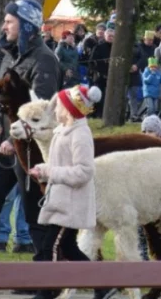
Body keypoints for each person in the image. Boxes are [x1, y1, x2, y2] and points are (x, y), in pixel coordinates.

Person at [0, 0, 62, 263]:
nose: (4, 26)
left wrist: (13, 138)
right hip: (4, 148)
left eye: (9, 21)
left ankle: (45, 274)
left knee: (34, 212)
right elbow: (3, 107)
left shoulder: (44, 61)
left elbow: (39, 111)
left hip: (30, 151)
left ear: (26, 25)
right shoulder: (11, 57)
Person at [28, 85, 104, 299]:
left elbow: (83, 172)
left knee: (50, 245)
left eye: (60, 105)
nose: (55, 109)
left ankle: (48, 290)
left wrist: (49, 170)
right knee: (69, 247)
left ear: (70, 108)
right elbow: (59, 164)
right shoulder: (62, 130)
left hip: (70, 203)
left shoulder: (80, 134)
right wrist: (43, 172)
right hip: (60, 199)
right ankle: (104, 285)